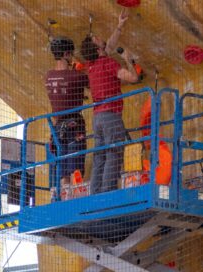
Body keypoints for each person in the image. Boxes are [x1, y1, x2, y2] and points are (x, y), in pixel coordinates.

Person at [80, 8, 138, 194]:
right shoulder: (110, 64)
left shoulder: (92, 65)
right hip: (111, 115)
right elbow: (133, 78)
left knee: (100, 156)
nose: (100, 38)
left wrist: (120, 26)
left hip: (97, 118)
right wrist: (129, 60)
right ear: (97, 48)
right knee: (114, 153)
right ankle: (108, 191)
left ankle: (96, 193)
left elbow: (109, 46)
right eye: (97, 39)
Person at [44, 36, 89, 197]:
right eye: (70, 54)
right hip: (74, 123)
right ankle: (75, 198)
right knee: (75, 164)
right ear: (66, 54)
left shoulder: (48, 76)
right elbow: (93, 82)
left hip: (57, 127)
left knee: (62, 166)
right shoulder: (75, 76)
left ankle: (64, 199)